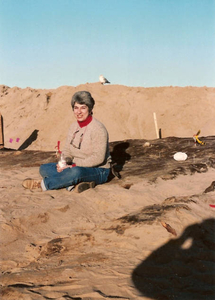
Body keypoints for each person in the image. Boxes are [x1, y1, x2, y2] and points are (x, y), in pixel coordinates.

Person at [22, 91, 111, 193]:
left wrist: (73, 165)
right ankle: (72, 183)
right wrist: (64, 162)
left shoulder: (98, 129)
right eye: (76, 108)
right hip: (74, 166)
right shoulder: (73, 126)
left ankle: (41, 184)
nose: (79, 112)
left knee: (76, 172)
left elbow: (98, 158)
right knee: (44, 168)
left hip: (98, 170)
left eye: (83, 108)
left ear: (90, 109)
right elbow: (67, 150)